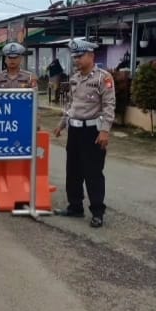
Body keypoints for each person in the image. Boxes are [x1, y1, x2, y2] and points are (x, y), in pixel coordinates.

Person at [53, 38, 115, 228]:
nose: (76, 60)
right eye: (75, 57)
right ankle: (75, 206)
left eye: (80, 56)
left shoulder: (103, 78)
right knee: (73, 170)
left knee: (93, 172)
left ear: (91, 56)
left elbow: (109, 106)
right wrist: (62, 123)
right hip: (75, 131)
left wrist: (105, 131)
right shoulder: (75, 78)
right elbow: (72, 105)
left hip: (93, 132)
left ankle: (97, 211)